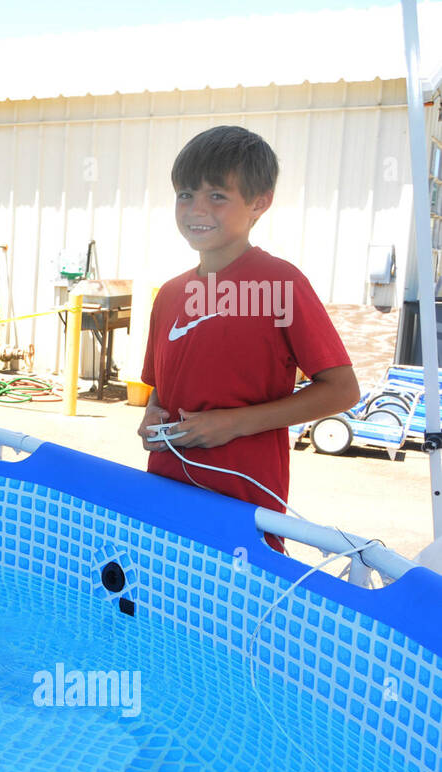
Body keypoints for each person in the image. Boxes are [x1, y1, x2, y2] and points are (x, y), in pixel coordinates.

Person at [138, 126, 359, 546]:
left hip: (245, 503)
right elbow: (159, 392)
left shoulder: (281, 283)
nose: (196, 209)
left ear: (260, 203)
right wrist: (152, 416)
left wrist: (235, 424)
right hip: (165, 491)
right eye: (186, 194)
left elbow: (343, 390)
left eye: (217, 196)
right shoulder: (169, 295)